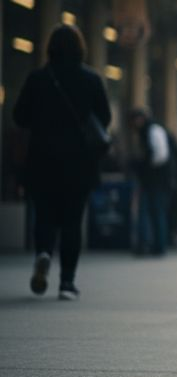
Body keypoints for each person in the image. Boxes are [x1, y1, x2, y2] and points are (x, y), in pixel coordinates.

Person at [14, 24, 112, 300]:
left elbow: (19, 117)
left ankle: (44, 253)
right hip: (79, 164)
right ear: (81, 48)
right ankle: (67, 282)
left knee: (44, 215)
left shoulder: (38, 79)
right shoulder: (91, 80)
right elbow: (104, 119)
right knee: (72, 220)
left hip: (42, 161)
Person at [129, 108, 174, 256]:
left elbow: (160, 155)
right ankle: (149, 244)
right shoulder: (148, 131)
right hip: (153, 179)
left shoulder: (153, 130)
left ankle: (156, 245)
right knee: (150, 211)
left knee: (155, 211)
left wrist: (146, 166)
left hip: (156, 179)